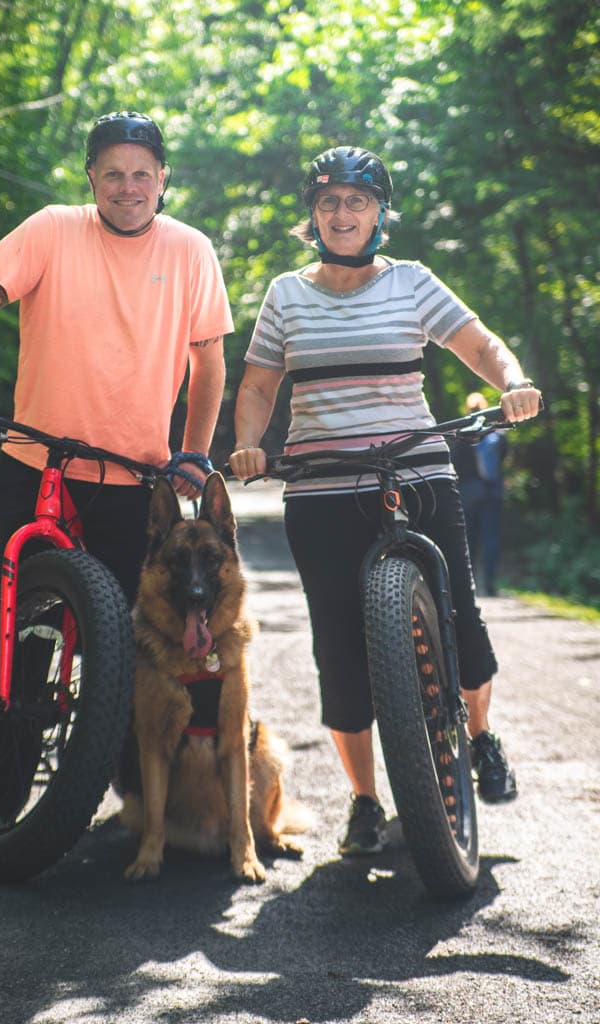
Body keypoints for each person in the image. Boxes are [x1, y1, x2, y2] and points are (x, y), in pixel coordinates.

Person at [228, 145, 541, 857]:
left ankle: (482, 736)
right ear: (312, 215)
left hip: (418, 472)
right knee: (338, 649)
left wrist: (512, 383)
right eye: (330, 202)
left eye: (358, 202)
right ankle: (365, 801)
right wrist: (250, 441)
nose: (343, 214)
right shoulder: (285, 294)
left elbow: (480, 344)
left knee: (459, 613)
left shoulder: (413, 283)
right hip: (323, 485)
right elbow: (256, 386)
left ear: (379, 214)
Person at [0, 110, 234, 605]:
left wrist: (195, 452)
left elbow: (209, 360)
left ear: (162, 178)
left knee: (122, 639)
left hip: (134, 476)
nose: (127, 187)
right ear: (91, 177)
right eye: (112, 173)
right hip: (35, 463)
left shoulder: (190, 249)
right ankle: (0, 685)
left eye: (141, 174)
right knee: (13, 619)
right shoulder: (52, 228)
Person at [453, 391, 508, 596]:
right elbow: (504, 457)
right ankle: (491, 584)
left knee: (469, 538)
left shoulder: (463, 435)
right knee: (491, 537)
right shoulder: (496, 433)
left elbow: (455, 462)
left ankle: (470, 584)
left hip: (469, 490)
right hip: (493, 489)